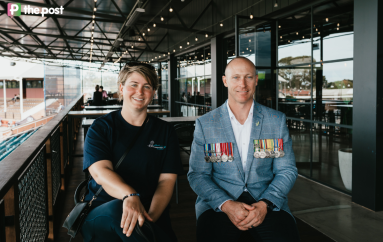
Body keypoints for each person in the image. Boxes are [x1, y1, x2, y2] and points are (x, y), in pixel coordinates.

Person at [188, 57, 299, 242]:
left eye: (248, 77)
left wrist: (265, 204)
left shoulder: (275, 121)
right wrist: (227, 204)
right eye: (236, 77)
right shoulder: (206, 124)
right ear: (225, 81)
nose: (243, 84)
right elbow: (197, 175)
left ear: (256, 80)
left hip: (267, 201)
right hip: (219, 204)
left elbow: (286, 170)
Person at [82, 63, 183, 242]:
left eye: (147, 86)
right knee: (118, 209)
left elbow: (166, 181)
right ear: (121, 88)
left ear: (153, 93)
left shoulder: (165, 131)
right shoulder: (101, 128)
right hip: (104, 209)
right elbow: (100, 173)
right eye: (133, 85)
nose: (140, 92)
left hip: (149, 210)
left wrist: (149, 217)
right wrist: (130, 195)